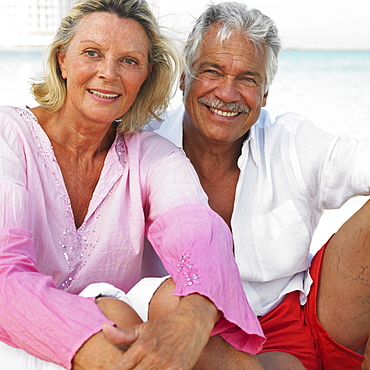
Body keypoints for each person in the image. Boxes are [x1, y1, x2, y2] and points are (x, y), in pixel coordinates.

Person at [0, 0, 266, 369]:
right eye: (92, 53)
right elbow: (3, 274)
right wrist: (95, 352)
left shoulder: (153, 155)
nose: (108, 73)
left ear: (146, 75)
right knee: (115, 316)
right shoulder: (8, 136)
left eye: (128, 61)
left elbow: (199, 233)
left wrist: (193, 318)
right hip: (12, 335)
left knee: (183, 301)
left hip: (116, 325)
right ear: (62, 59)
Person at [146, 2, 370, 369]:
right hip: (202, 332)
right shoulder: (145, 146)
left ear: (265, 94)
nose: (228, 93)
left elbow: (362, 161)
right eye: (212, 71)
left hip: (305, 314)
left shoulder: (291, 139)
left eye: (248, 78)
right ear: (183, 78)